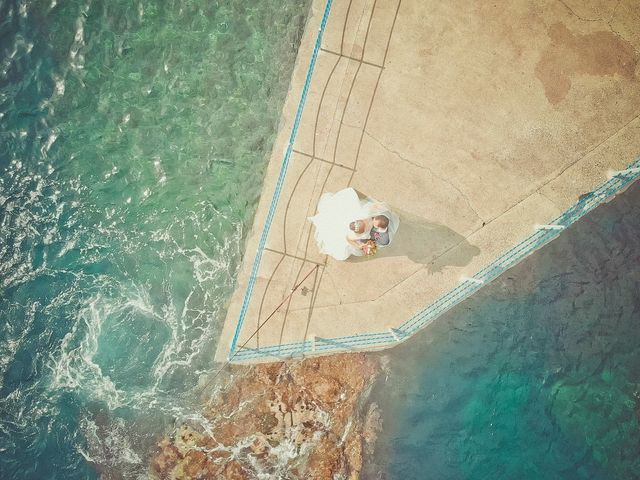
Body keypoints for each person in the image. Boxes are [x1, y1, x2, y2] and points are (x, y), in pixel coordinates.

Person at [308, 187, 399, 260]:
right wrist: (361, 245)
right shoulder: (355, 235)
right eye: (366, 228)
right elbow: (348, 239)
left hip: (367, 220)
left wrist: (379, 207)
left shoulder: (365, 214)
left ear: (362, 220)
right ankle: (382, 231)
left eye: (367, 224)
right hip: (355, 232)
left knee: (383, 225)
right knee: (384, 240)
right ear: (360, 232)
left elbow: (374, 207)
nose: (368, 226)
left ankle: (382, 227)